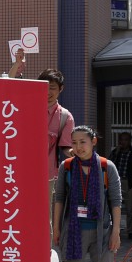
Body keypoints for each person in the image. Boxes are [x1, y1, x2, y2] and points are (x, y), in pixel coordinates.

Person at [52, 126, 121, 262]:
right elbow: (59, 198)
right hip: (74, 232)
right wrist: (56, 228)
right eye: (74, 142)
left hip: (102, 233)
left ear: (93, 142)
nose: (78, 147)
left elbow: (116, 202)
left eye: (83, 142)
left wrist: (116, 232)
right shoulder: (67, 166)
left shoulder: (106, 167)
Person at [39, 68, 74, 212]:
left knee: (44, 215)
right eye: (44, 87)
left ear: (61, 89)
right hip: (20, 171)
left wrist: (75, 152)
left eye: (52, 88)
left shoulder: (65, 116)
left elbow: (65, 147)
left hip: (47, 175)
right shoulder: (25, 108)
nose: (48, 92)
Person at [109, 132, 132, 240]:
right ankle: (114, 230)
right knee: (114, 206)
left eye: (126, 140)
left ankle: (131, 231)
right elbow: (109, 164)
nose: (123, 142)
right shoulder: (115, 152)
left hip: (129, 183)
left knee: (130, 209)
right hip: (116, 182)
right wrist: (116, 152)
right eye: (122, 140)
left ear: (130, 141)